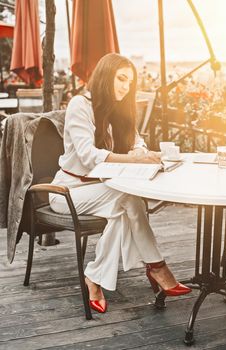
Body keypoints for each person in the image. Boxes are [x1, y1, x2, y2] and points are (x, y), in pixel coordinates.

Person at [49, 53, 191, 314]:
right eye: (121, 78)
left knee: (122, 211)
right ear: (105, 76)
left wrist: (144, 153)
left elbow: (136, 140)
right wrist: (135, 161)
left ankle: (94, 276)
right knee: (127, 198)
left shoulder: (120, 106)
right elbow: (87, 155)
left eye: (130, 81)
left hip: (103, 192)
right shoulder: (80, 105)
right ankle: (156, 266)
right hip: (67, 192)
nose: (126, 86)